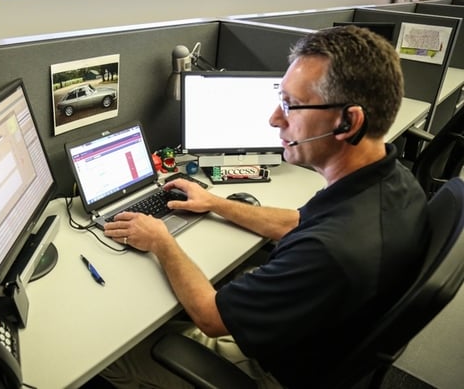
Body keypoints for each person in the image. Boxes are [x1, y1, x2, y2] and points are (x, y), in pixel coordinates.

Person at [101, 25, 429, 389]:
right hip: (317, 339)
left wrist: (161, 240)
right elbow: (298, 222)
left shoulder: (332, 250)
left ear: (348, 121)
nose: (274, 118)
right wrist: (215, 202)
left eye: (290, 104)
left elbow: (211, 316)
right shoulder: (392, 182)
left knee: (110, 353)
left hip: (269, 371)